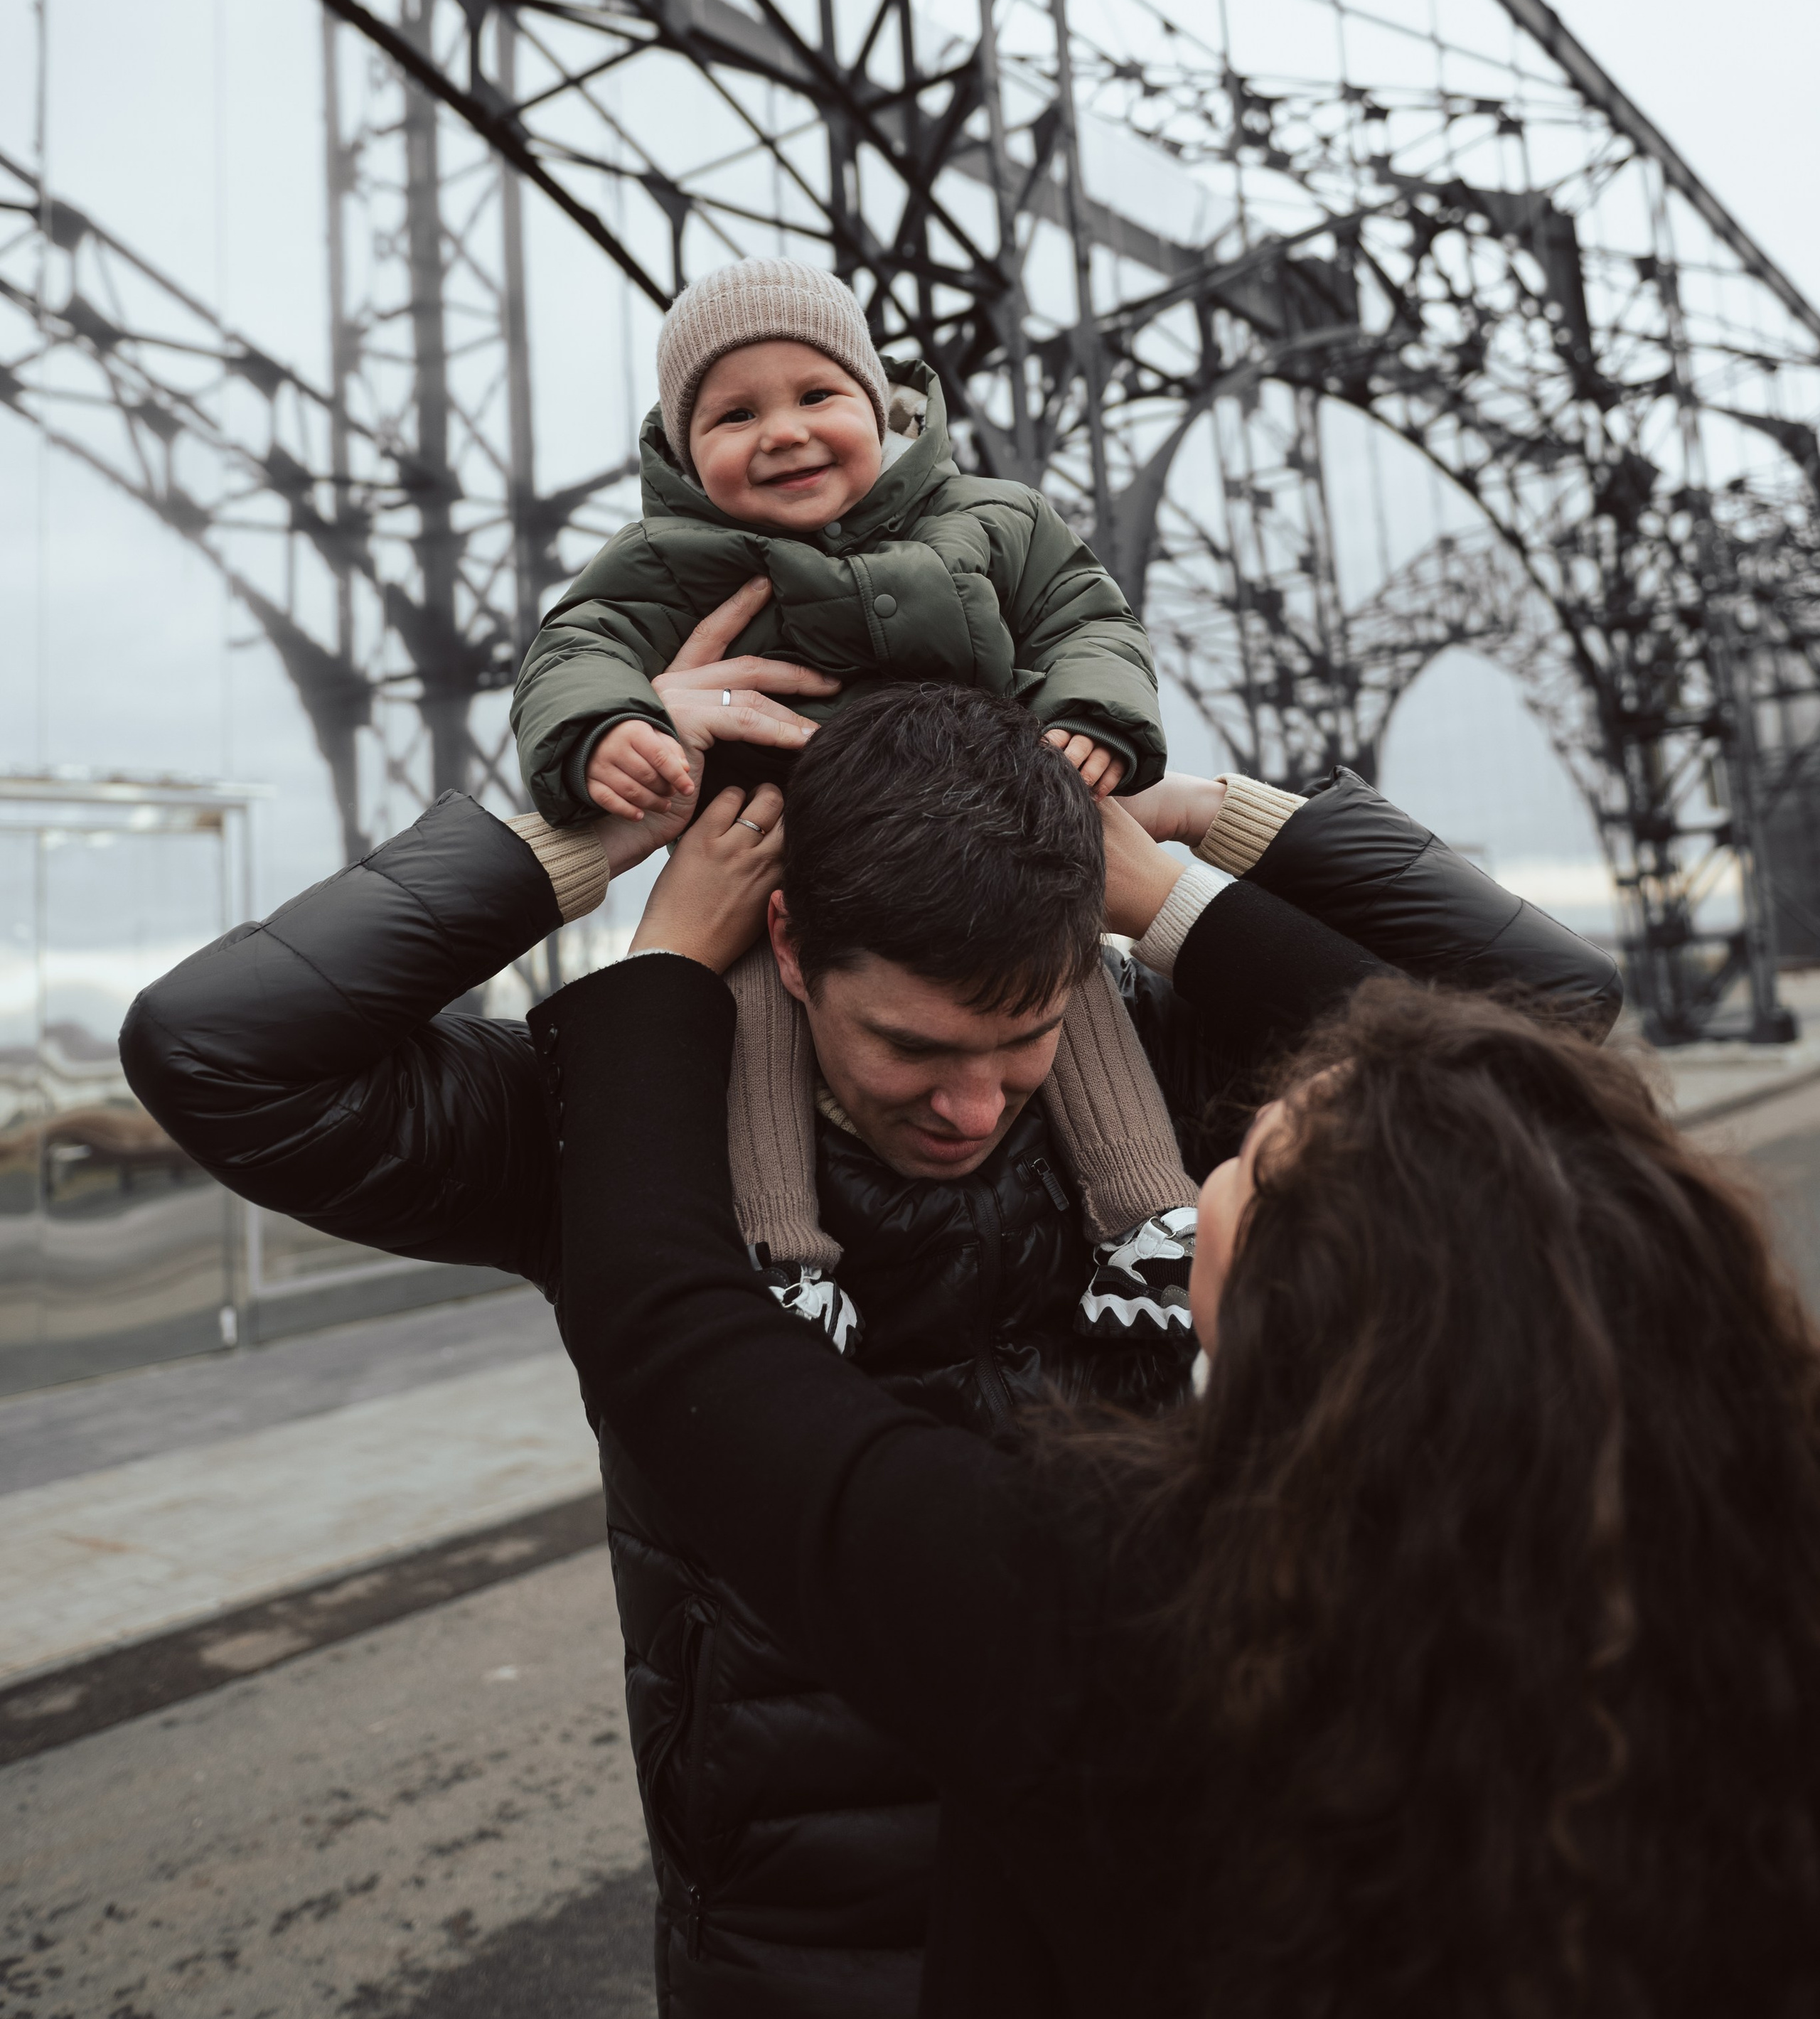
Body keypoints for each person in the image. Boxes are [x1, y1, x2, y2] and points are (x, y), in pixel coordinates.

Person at [122, 589, 1620, 2018]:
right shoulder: (615, 1109)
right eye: (909, 1046)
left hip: (1155, 1880)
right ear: (784, 938)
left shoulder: (1168, 1066)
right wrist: (578, 832)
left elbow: (1548, 1042)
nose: (970, 1106)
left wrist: (1186, 852)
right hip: (809, 1946)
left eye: (1023, 1035)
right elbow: (214, 1052)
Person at [550, 785, 1820, 2018]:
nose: (1272, 1101)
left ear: (1276, 1306)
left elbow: (670, 1332)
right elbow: (1529, 1050)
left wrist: (657, 957)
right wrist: (1186, 848)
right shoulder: (1730, 1568)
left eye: (1263, 1152)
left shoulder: (1083, 1594)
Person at [508, 255, 1201, 1344]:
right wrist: (607, 731)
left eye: (817, 396)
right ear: (684, 450)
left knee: (1057, 994)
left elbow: (1087, 619)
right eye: (734, 415)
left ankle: (1152, 1221)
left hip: (993, 844)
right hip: (774, 848)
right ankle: (783, 1260)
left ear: (881, 406)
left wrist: (1100, 718)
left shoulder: (992, 517)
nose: (781, 431)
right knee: (752, 1021)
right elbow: (574, 651)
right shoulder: (664, 557)